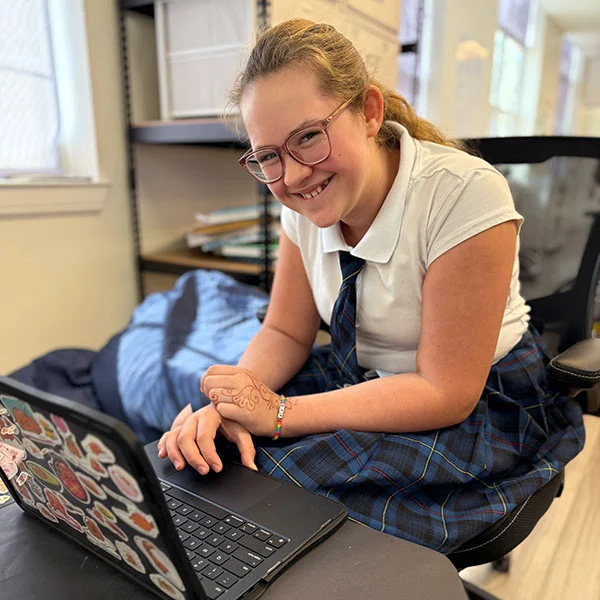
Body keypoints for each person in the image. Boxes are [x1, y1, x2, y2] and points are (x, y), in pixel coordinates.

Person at [157, 18, 585, 553]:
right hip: (359, 374)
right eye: (268, 155)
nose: (290, 177)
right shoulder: (300, 205)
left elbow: (444, 392)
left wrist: (281, 414)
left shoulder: (466, 194)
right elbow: (287, 332)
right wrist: (231, 402)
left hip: (472, 400)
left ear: (370, 113)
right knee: (207, 457)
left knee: (276, 497)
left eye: (308, 137)